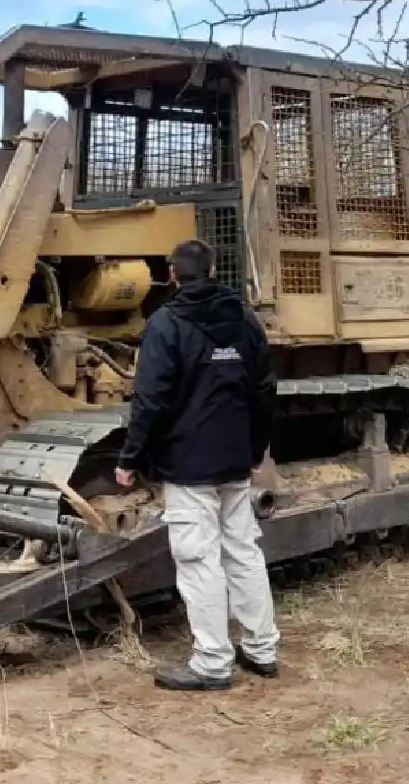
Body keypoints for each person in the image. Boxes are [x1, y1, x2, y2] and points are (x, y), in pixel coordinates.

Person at [114, 238, 280, 691]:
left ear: (171, 273)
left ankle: (211, 662)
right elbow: (264, 388)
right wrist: (254, 450)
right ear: (211, 269)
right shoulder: (244, 320)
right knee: (243, 549)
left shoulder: (166, 324)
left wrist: (130, 458)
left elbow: (149, 399)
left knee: (197, 558)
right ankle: (262, 649)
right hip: (234, 459)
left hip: (188, 464)